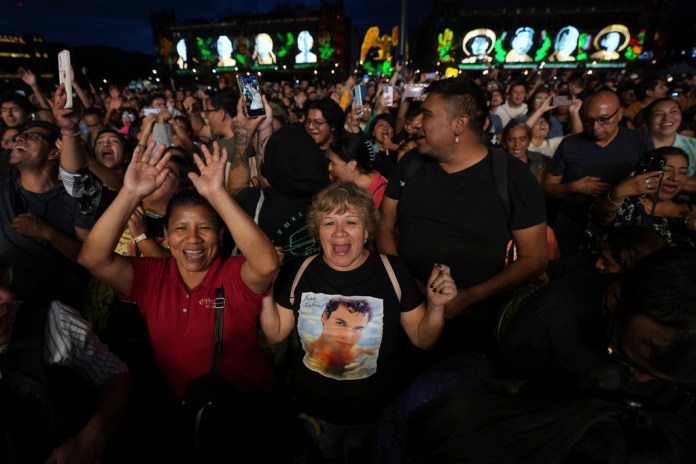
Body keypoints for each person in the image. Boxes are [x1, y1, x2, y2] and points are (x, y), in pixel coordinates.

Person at [77, 142, 280, 455]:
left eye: (205, 229)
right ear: (167, 238)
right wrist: (129, 192)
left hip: (243, 414)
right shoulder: (151, 277)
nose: (193, 239)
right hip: (182, 413)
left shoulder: (233, 276)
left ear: (221, 236)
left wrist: (217, 194)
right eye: (181, 229)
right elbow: (93, 259)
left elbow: (267, 263)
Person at [266, 182, 456, 462]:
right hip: (314, 418)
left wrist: (437, 308)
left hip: (376, 419)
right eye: (329, 222)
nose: (340, 232)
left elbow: (422, 339)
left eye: (351, 221)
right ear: (318, 231)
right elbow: (275, 334)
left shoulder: (394, 272)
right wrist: (264, 288)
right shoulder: (300, 270)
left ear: (367, 230)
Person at [375, 76, 548, 356]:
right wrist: (405, 284)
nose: (417, 123)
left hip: (476, 328)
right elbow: (383, 225)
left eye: (428, 115)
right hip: (408, 315)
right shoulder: (410, 164)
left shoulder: (511, 176)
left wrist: (470, 297)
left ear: (459, 124)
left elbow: (535, 259)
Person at [0, 262, 132, 463]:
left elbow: (116, 374)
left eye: (2, 277)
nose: (8, 296)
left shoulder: (53, 321)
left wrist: (92, 438)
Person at [542, 90, 654, 256]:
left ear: (620, 113)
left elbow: (653, 183)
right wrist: (573, 187)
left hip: (621, 229)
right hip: (572, 226)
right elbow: (547, 188)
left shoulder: (639, 140)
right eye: (589, 120)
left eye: (603, 120)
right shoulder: (570, 144)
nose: (595, 127)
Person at [0, 121, 94, 309]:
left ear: (54, 152)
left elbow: (91, 259)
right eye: (20, 136)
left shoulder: (77, 197)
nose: (20, 137)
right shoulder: (3, 191)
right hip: (8, 309)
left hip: (62, 310)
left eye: (33, 136)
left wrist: (47, 233)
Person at [590, 147, 694, 247]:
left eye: (683, 172)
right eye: (666, 170)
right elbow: (601, 217)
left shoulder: (690, 206)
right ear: (647, 171)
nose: (675, 178)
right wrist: (618, 194)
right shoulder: (625, 201)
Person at [643, 97, 696, 191]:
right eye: (658, 114)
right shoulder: (635, 145)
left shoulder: (693, 146)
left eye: (673, 111)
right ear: (647, 120)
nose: (667, 118)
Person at [327, 132, 389, 207]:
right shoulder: (347, 185)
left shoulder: (382, 196)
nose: (329, 168)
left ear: (352, 165)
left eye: (333, 163)